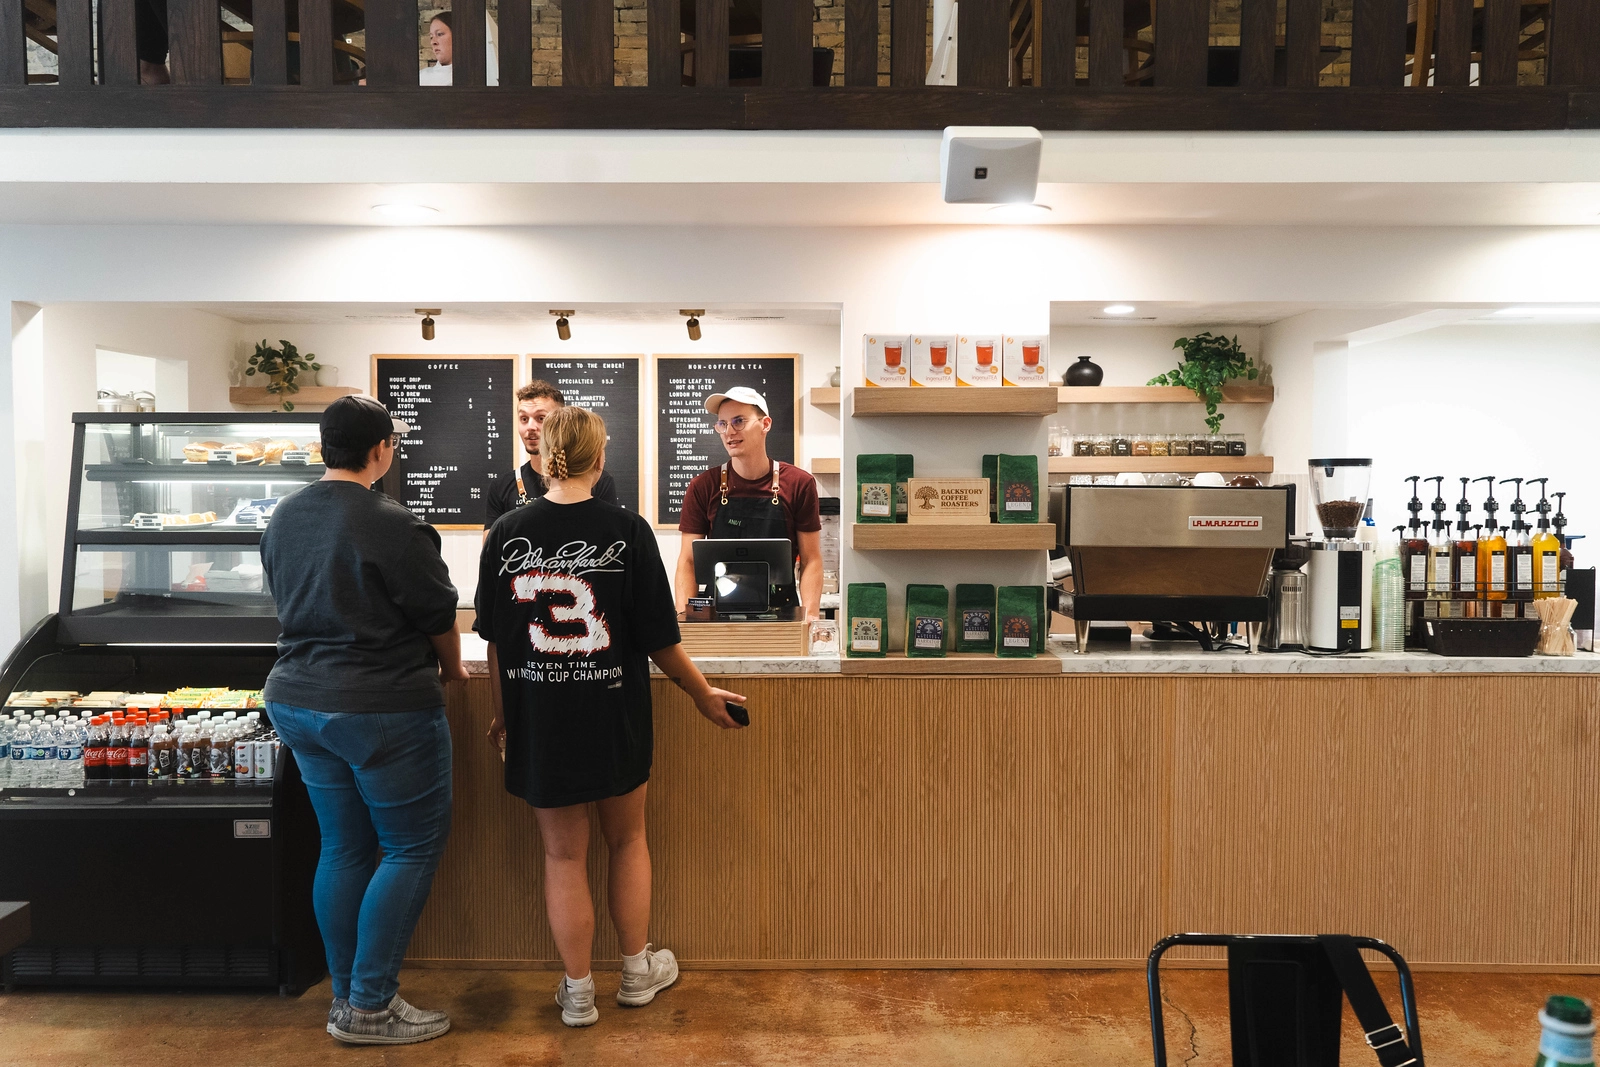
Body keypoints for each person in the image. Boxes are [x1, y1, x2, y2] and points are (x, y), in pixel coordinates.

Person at [476, 405, 745, 1028]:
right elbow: (660, 637)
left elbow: (494, 642)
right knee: (627, 840)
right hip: (613, 713)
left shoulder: (505, 534)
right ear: (601, 459)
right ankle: (634, 972)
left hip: (539, 714)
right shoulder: (627, 531)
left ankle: (576, 993)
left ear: (542, 457)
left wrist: (503, 717)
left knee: (562, 857)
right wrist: (703, 694)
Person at [261, 395, 466, 1047]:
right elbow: (438, 618)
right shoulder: (394, 523)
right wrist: (456, 674)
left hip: (297, 700)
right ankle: (371, 1006)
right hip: (381, 705)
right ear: (380, 449)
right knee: (409, 846)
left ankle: (347, 997)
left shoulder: (283, 516)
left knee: (344, 846)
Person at [673, 386, 823, 619]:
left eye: (739, 421)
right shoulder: (703, 486)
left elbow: (811, 559)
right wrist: (684, 617)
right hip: (717, 616)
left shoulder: (799, 483)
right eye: (722, 424)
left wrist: (811, 617)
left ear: (765, 424)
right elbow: (688, 561)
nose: (729, 431)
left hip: (781, 615)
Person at [485, 380, 620, 531]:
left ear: (559, 424)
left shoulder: (599, 480)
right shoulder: (502, 486)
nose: (530, 427)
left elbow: (610, 535)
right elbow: (491, 547)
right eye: (524, 419)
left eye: (541, 418)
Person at [419, 10, 501, 86]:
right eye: (431, 37)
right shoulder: (422, 78)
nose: (433, 42)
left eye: (439, 34)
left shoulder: (479, 78)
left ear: (458, 36)